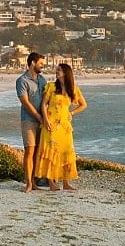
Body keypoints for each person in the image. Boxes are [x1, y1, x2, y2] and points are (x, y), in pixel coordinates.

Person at [36, 62, 87, 191]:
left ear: (66, 73)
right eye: (56, 70)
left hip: (65, 126)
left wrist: (72, 113)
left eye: (59, 70)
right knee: (51, 151)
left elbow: (83, 104)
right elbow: (43, 105)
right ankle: (51, 183)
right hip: (51, 123)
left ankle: (66, 183)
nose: (56, 72)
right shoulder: (51, 87)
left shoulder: (73, 89)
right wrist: (46, 120)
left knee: (66, 151)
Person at [15, 51, 48, 193]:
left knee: (37, 153)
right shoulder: (22, 80)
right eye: (41, 64)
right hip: (28, 120)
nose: (42, 67)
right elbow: (25, 102)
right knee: (29, 150)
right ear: (33, 63)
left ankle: (34, 181)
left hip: (42, 120)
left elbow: (47, 101)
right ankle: (28, 183)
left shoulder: (43, 80)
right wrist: (39, 117)